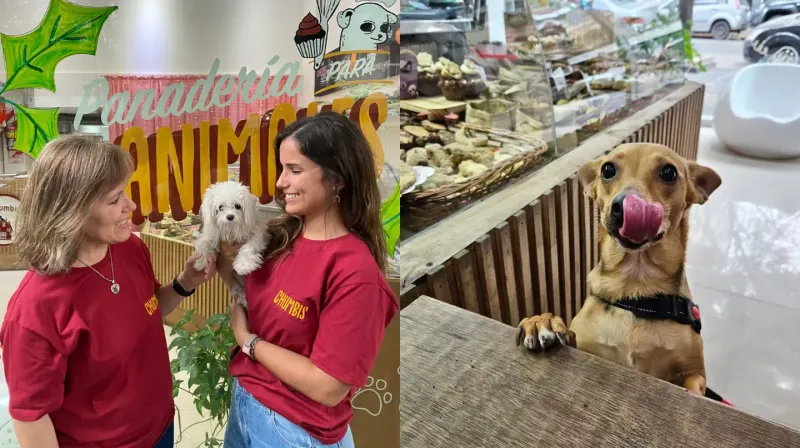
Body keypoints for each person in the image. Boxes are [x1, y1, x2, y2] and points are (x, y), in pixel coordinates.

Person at [0, 135, 216, 448]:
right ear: (69, 212)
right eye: (114, 200)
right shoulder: (37, 308)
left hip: (159, 427)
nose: (130, 206)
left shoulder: (130, 249)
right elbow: (30, 416)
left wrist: (184, 284)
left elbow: (149, 308)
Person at [217, 112, 398, 448]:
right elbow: (239, 288)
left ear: (337, 179)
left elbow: (328, 386)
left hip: (294, 429)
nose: (281, 182)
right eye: (282, 168)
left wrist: (248, 340)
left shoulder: (355, 274)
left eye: (294, 170)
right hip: (248, 402)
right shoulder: (280, 238)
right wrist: (223, 251)